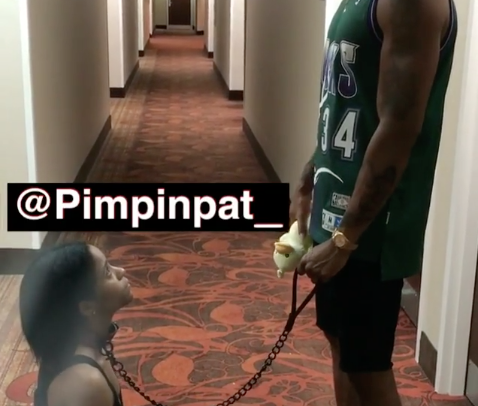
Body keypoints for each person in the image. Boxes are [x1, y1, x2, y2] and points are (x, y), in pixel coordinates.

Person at [290, 0, 458, 405]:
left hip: (369, 228)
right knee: (341, 344)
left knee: (367, 367)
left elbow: (398, 127)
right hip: (337, 209)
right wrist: (311, 175)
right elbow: (349, 101)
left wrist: (345, 239)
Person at [19, 242, 133, 406]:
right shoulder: (85, 384)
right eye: (107, 272)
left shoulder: (80, 344)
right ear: (86, 307)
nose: (121, 271)